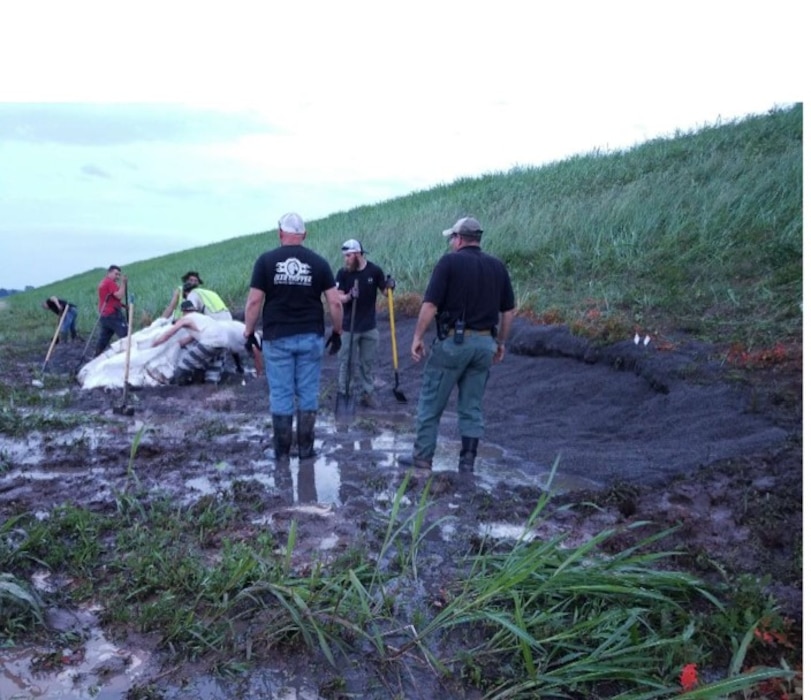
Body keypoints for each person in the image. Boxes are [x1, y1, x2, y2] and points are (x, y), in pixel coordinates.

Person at [398, 217, 516, 473]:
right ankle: (467, 463)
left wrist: (417, 337)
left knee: (431, 403)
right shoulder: (497, 266)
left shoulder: (449, 262)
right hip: (485, 343)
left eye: (452, 238)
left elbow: (430, 305)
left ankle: (422, 459)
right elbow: (508, 311)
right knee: (471, 407)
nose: (451, 243)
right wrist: (501, 342)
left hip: (454, 343)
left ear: (459, 239)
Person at [243, 212, 343, 461]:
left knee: (281, 393)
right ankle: (307, 451)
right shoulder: (319, 263)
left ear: (280, 233)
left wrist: (248, 332)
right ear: (304, 235)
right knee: (308, 393)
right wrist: (338, 332)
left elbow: (255, 301)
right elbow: (335, 302)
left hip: (277, 338)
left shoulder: (266, 261)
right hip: (311, 336)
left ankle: (282, 452)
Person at [334, 239, 395, 408]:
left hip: (369, 327)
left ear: (358, 254)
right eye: (345, 256)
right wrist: (348, 296)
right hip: (349, 327)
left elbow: (384, 291)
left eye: (348, 256)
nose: (346, 259)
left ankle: (367, 393)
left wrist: (390, 286)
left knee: (366, 363)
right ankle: (345, 393)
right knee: (347, 362)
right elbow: (336, 296)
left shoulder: (374, 271)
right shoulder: (343, 273)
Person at [151, 300, 231, 384]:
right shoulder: (202, 319)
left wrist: (154, 344)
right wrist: (174, 345)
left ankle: (175, 386)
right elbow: (187, 340)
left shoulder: (186, 318)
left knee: (185, 364)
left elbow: (169, 333)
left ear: (183, 311)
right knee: (213, 370)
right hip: (225, 343)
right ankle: (211, 389)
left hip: (211, 341)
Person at [161, 271, 232, 321]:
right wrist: (161, 321)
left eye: (195, 281)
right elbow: (171, 307)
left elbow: (192, 314)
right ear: (186, 281)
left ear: (198, 283)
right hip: (178, 319)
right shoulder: (179, 290)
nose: (193, 282)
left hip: (184, 320)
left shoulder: (196, 294)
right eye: (191, 280)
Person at [95, 265, 128, 357]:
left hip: (104, 314)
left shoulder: (103, 282)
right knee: (125, 334)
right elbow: (119, 295)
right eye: (116, 274)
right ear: (109, 273)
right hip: (112, 314)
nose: (117, 276)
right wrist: (123, 283)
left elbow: (110, 299)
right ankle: (128, 355)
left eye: (119, 275)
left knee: (104, 338)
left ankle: (96, 355)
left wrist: (124, 306)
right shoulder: (109, 283)